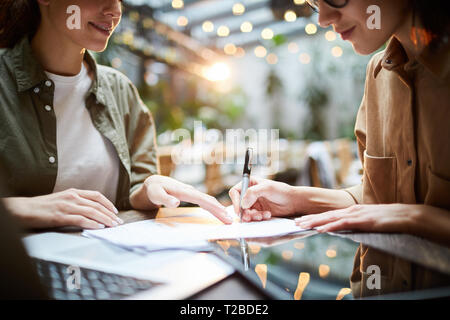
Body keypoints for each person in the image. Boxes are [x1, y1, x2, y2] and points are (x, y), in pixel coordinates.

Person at [229, 0, 450, 296]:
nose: (323, 18)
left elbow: (392, 211)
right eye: (313, 2)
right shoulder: (378, 73)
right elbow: (376, 201)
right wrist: (295, 198)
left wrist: (417, 217)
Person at [0, 0, 233, 231]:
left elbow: (134, 189)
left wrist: (148, 187)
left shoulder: (120, 90)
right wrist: (26, 208)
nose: (114, 10)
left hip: (106, 262)